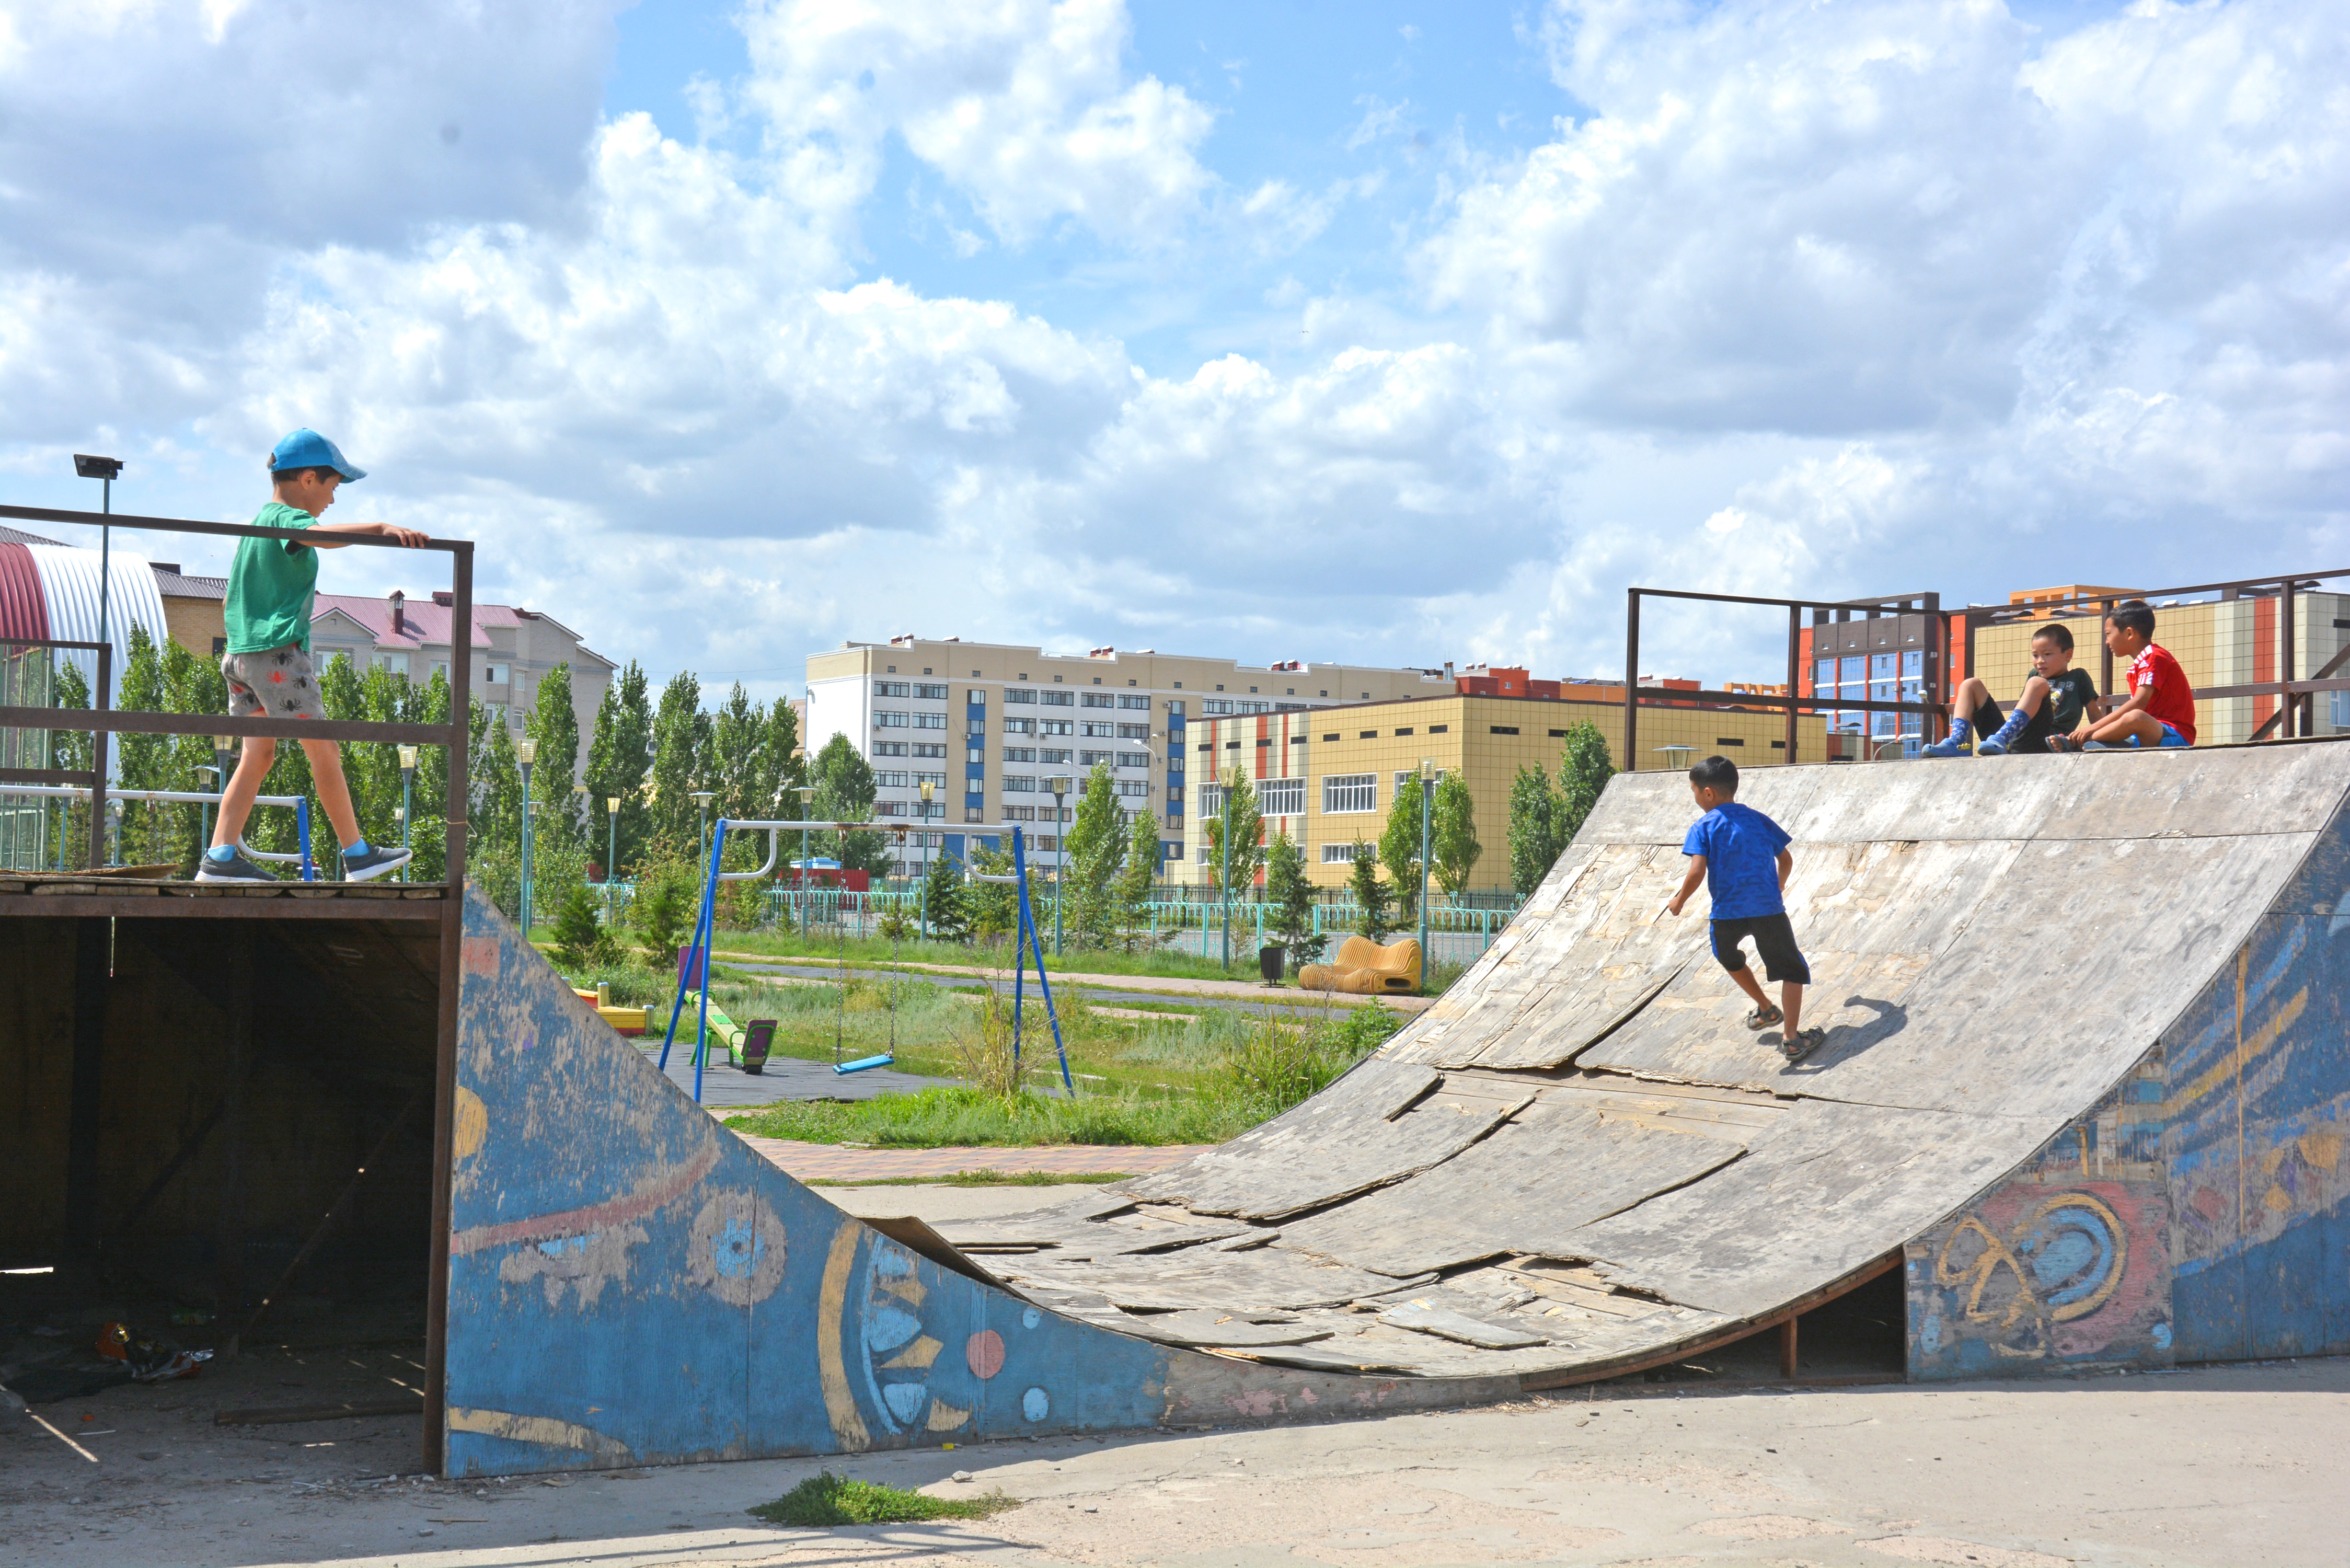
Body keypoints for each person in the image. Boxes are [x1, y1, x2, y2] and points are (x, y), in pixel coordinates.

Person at [197, 430, 430, 883]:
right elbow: (322, 537)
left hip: (239, 657)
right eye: (332, 487)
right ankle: (357, 854)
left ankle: (221, 856)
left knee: (257, 756)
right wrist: (382, 529)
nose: (333, 500)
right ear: (308, 479)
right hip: (278, 657)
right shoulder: (285, 519)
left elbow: (230, 602)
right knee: (324, 750)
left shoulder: (257, 524)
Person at [1663, 755, 1823, 1063]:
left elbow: (1697, 872)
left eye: (1694, 791)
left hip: (1727, 914)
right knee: (1791, 969)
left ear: (1707, 793)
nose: (1695, 797)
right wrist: (1778, 886)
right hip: (1768, 911)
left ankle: (1765, 1006)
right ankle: (1790, 1038)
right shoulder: (1759, 819)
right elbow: (1786, 860)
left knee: (1728, 957)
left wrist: (1679, 900)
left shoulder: (1703, 826)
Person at [1922, 623, 2101, 757]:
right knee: (1970, 684)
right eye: (2035, 655)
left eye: (2047, 655)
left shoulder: (2078, 677)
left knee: (2037, 683)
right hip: (2009, 739)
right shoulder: (2035, 675)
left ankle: (2002, 738)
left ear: (2068, 655)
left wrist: (2100, 739)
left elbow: (2095, 716)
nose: (2040, 661)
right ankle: (1957, 743)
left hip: (2045, 740)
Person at [2078, 599, 2196, 750]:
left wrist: (2092, 728)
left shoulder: (2154, 657)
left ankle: (2080, 740)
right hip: (2146, 733)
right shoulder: (2137, 667)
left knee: (2135, 717)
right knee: (2132, 719)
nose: (2107, 642)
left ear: (2129, 633)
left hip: (2174, 734)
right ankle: (2090, 742)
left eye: (2108, 634)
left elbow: (2139, 703)